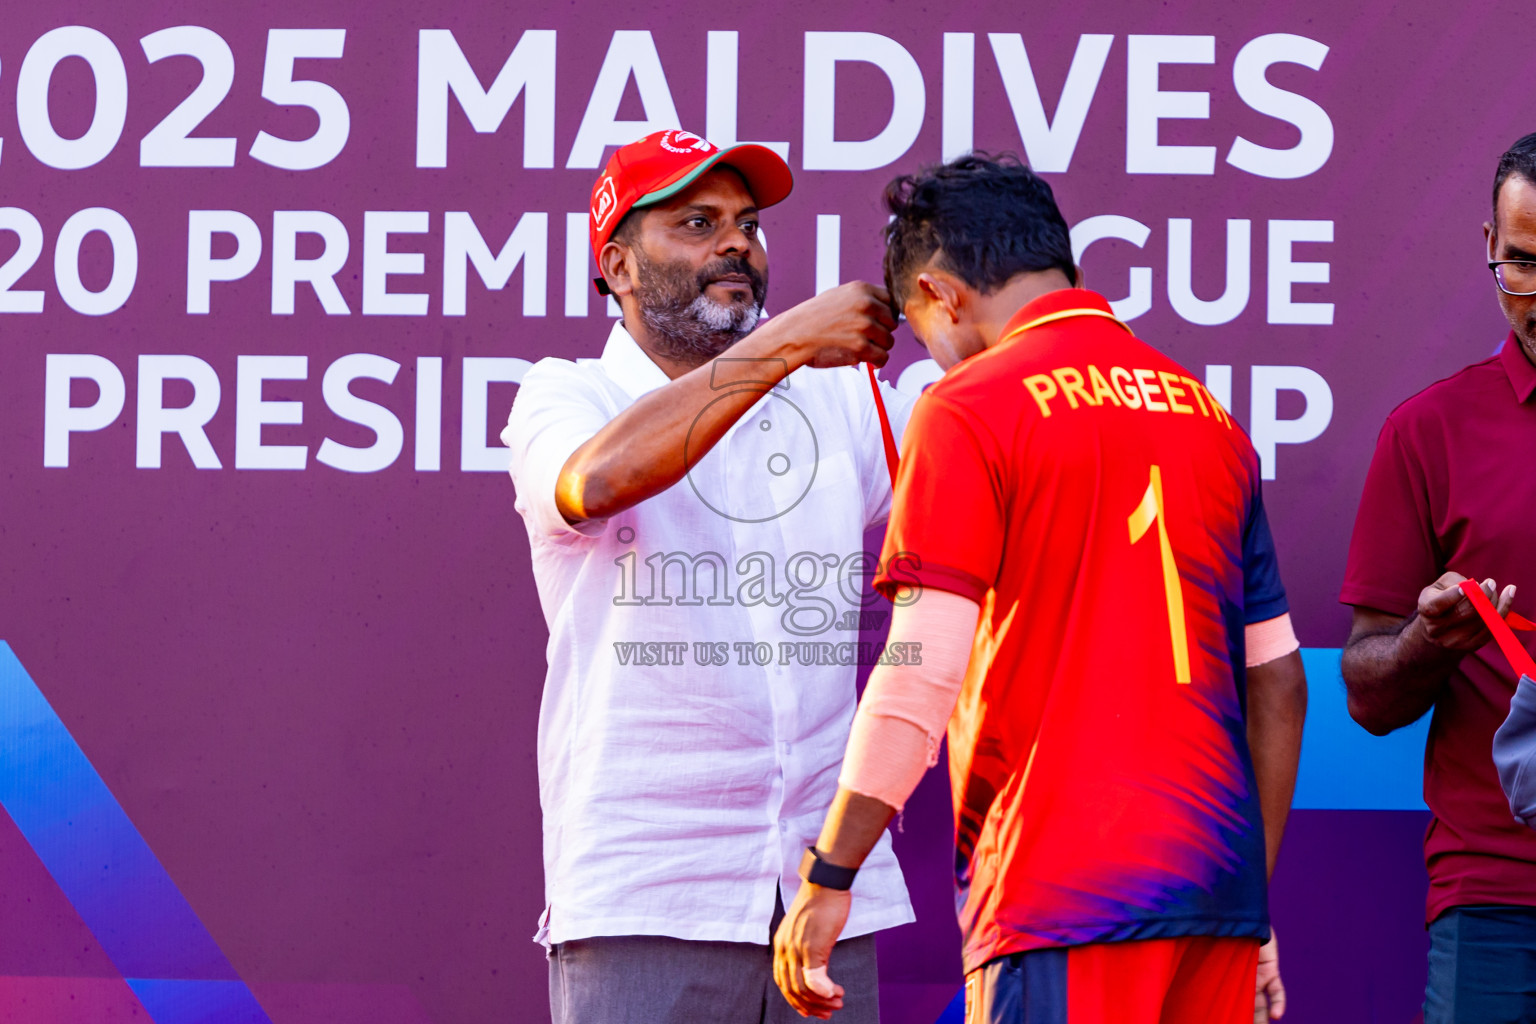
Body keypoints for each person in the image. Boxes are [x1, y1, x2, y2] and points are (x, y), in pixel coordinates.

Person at [771, 154, 1308, 1024]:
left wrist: (831, 875)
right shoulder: (1213, 420)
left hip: (1058, 898)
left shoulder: (969, 406)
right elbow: (1279, 682)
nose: (933, 357)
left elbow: (918, 673)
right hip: (1216, 904)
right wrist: (1250, 912)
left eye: (919, 330)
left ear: (941, 295)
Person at [501, 128, 917, 1024]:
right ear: (616, 266)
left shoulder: (842, 396)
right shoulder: (565, 394)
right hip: (648, 892)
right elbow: (597, 480)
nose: (737, 244)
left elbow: (991, 437)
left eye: (748, 224)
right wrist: (789, 344)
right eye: (697, 222)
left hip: (824, 896)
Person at [1339, 132, 1536, 1023]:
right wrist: (1431, 642)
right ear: (1488, 248)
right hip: (1494, 893)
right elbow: (1368, 696)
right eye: (1522, 265)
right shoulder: (1428, 433)